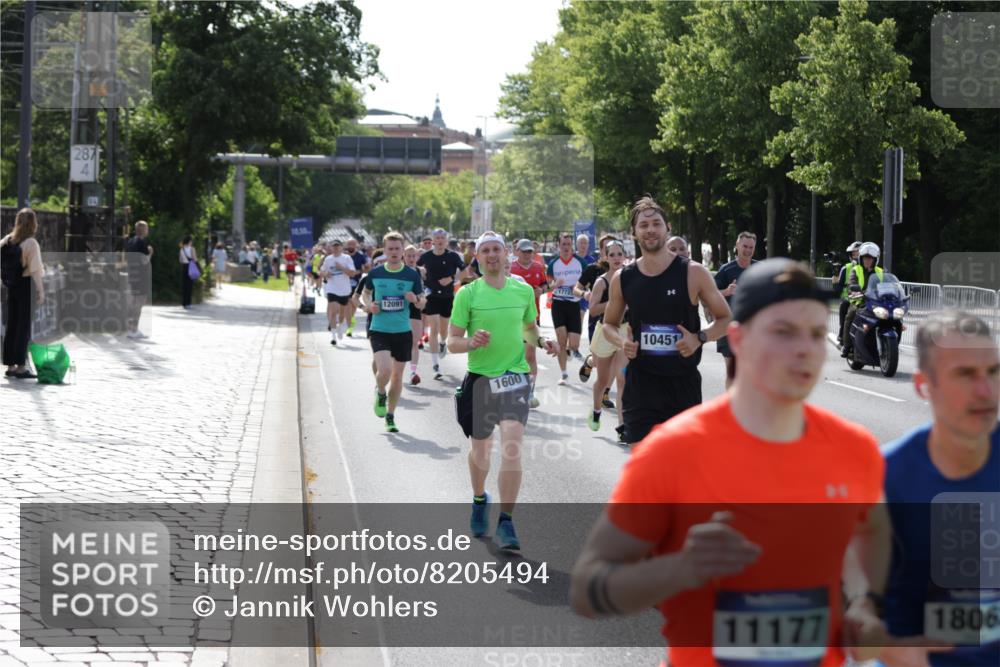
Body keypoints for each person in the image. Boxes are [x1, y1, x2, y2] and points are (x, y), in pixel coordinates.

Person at [570, 258, 889, 667]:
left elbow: (870, 541)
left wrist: (865, 605)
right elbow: (587, 589)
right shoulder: (673, 452)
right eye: (783, 332)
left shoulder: (855, 449)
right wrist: (681, 569)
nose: (803, 349)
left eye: (814, 333)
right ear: (737, 339)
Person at [879, 311, 999, 667]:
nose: (986, 390)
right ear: (923, 385)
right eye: (964, 374)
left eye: (993, 371)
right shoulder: (884, 478)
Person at [448, 231, 559, 550]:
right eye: (485, 251)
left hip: (514, 376)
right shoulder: (467, 294)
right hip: (481, 378)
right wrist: (470, 342)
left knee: (512, 446)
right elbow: (452, 342)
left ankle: (507, 522)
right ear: (478, 257)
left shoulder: (522, 290)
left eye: (497, 249)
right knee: (481, 452)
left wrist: (541, 341)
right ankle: (479, 498)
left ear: (506, 254)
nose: (492, 255)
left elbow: (528, 326)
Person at [601, 196, 732, 445]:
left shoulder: (693, 272)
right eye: (644, 225)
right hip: (641, 384)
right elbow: (608, 324)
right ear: (634, 232)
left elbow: (726, 318)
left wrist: (699, 338)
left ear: (667, 228)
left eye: (656, 223)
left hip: (682, 384)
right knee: (643, 463)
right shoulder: (623, 278)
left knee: (682, 466)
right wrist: (621, 342)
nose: (650, 229)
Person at [360, 232, 424, 433]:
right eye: (391, 249)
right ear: (385, 250)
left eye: (398, 249)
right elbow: (365, 294)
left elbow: (423, 302)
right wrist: (370, 306)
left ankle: (390, 415)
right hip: (380, 329)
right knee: (385, 371)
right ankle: (380, 392)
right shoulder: (376, 273)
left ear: (403, 251)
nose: (394, 252)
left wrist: (415, 299)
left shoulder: (412, 275)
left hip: (402, 331)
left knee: (397, 377)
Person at [1, 208, 45, 378]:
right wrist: (41, 291)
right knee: (23, 326)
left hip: (11, 286)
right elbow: (35, 270)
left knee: (11, 324)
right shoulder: (31, 243)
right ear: (33, 223)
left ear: (17, 221)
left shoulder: (7, 240)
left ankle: (10, 365)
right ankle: (21, 367)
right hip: (26, 286)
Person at [417, 228, 466, 380]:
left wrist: (453, 279)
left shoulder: (453, 256)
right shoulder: (426, 256)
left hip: (447, 296)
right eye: (437, 238)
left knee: (443, 330)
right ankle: (435, 366)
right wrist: (422, 275)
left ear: (446, 240)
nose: (439, 240)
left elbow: (464, 271)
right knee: (433, 328)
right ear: (433, 240)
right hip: (431, 295)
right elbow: (416, 268)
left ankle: (443, 342)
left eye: (442, 238)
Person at [714, 231, 758, 388]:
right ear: (737, 246)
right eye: (745, 246)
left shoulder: (760, 270)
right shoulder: (726, 270)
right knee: (733, 371)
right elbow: (710, 295)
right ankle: (731, 408)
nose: (747, 250)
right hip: (729, 326)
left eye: (751, 247)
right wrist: (727, 291)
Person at [510, 239, 549, 408]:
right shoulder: (510, 268)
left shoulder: (538, 267)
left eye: (530, 251)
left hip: (532, 317)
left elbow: (546, 285)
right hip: (511, 318)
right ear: (517, 251)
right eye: (524, 251)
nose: (527, 254)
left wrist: (542, 290)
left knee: (530, 356)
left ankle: (530, 391)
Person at [547, 232, 588, 383]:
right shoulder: (553, 264)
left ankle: (568, 352)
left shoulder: (580, 262)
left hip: (574, 305)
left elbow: (588, 282)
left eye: (568, 244)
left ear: (572, 246)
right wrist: (555, 285)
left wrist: (580, 289)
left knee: (574, 344)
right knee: (561, 340)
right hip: (558, 304)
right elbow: (549, 285)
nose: (566, 247)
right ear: (559, 245)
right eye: (563, 244)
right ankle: (563, 374)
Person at [841, 242, 883, 358]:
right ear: (861, 258)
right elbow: (852, 284)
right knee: (850, 315)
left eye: (870, 258)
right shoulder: (856, 270)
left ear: (875, 259)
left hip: (876, 303)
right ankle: (847, 345)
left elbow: (889, 284)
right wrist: (856, 292)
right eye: (865, 258)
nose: (867, 260)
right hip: (859, 301)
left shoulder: (880, 272)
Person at [320, 240, 358, 345]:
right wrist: (326, 273)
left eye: (338, 246)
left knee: (341, 313)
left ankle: (340, 326)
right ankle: (333, 337)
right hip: (332, 289)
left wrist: (341, 267)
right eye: (334, 246)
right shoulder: (328, 259)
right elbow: (321, 272)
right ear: (331, 248)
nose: (336, 248)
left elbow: (352, 273)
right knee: (333, 312)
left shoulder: (347, 258)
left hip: (344, 289)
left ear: (341, 247)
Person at [124, 221, 154, 338]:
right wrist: (150, 252)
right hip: (141, 277)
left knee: (133, 303)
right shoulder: (142, 243)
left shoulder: (131, 241)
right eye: (146, 228)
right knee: (139, 303)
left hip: (132, 275)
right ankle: (134, 330)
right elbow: (145, 261)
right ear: (142, 230)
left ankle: (131, 329)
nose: (148, 230)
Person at [403, 245, 427, 384]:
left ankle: (413, 372)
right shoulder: (399, 270)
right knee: (399, 342)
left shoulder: (420, 271)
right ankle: (396, 370)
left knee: (414, 341)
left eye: (414, 256)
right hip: (399, 308)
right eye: (409, 256)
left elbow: (423, 293)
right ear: (403, 256)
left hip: (414, 308)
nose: (411, 259)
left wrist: (420, 300)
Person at [833, 241, 862, 346]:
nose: (856, 256)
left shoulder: (870, 267)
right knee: (845, 306)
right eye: (854, 254)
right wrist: (835, 284)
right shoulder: (846, 268)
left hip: (866, 299)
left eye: (858, 253)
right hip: (848, 298)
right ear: (850, 256)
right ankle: (842, 334)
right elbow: (839, 286)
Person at [345, 238, 370, 337]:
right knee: (347, 305)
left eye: (353, 244)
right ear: (347, 245)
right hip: (345, 284)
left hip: (356, 283)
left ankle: (351, 321)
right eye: (349, 244)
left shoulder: (360, 256)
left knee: (353, 306)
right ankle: (349, 328)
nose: (351, 246)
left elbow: (367, 267)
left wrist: (361, 271)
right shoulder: (344, 256)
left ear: (356, 245)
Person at [179, 235, 198, 309]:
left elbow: (180, 260)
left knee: (184, 285)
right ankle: (188, 303)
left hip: (184, 267)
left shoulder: (182, 249)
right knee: (189, 285)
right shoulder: (192, 249)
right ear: (189, 241)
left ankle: (184, 303)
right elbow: (195, 259)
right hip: (191, 267)